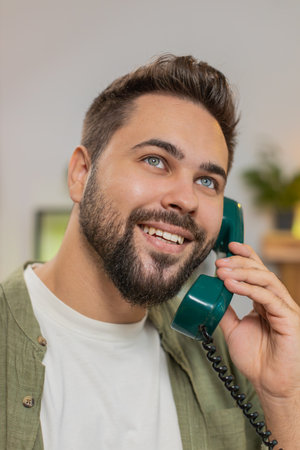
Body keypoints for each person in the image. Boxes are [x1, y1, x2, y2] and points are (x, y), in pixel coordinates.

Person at [0, 55, 299, 450]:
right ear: (81, 174)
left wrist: (284, 398)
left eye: (207, 180)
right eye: (155, 160)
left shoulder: (229, 356)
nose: (186, 199)